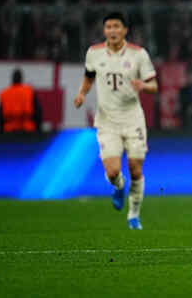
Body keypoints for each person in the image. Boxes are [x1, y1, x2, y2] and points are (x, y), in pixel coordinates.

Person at [74, 12, 158, 230]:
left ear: (125, 30)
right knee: (112, 172)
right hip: (107, 120)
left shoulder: (138, 54)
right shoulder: (94, 53)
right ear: (104, 31)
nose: (112, 30)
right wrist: (82, 93)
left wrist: (143, 86)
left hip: (132, 119)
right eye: (108, 27)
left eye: (116, 26)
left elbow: (154, 85)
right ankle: (119, 187)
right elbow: (89, 76)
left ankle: (133, 215)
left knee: (135, 169)